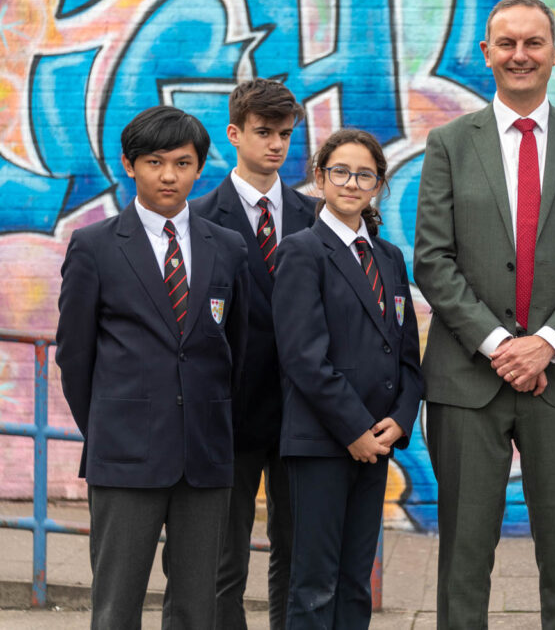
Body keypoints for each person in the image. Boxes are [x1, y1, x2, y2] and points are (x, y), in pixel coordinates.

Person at [413, 0, 555, 628]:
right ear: (486, 53)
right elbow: (433, 259)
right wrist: (501, 346)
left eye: (534, 43)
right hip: (467, 381)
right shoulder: (449, 143)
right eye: (506, 43)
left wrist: (546, 344)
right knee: (463, 561)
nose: (520, 55)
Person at [55, 105, 249, 629]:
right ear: (129, 165)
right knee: (117, 605)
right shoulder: (95, 246)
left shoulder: (227, 248)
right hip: (125, 454)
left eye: (182, 163)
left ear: (199, 167)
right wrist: (108, 425)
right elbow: (74, 355)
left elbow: (236, 348)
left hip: (205, 455)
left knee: (196, 606)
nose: (169, 176)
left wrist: (214, 421)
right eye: (155, 162)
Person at [273, 128, 423, 628]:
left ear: (378, 184)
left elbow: (405, 354)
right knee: (314, 584)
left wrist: (399, 420)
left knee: (356, 582)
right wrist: (355, 430)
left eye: (365, 174)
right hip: (322, 441)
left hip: (377, 442)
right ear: (319, 178)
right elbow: (303, 356)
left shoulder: (389, 258)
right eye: (340, 171)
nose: (351, 183)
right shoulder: (302, 251)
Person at [189, 78, 313, 628]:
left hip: (300, 414)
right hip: (228, 416)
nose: (276, 145)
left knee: (296, 553)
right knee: (223, 560)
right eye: (264, 132)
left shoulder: (316, 217)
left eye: (285, 134)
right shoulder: (198, 218)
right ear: (235, 133)